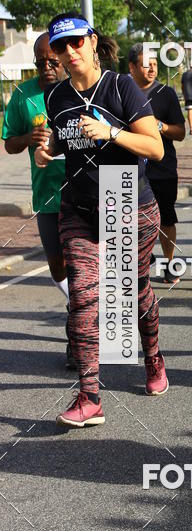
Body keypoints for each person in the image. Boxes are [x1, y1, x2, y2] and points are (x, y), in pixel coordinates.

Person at [35, 12, 168, 428]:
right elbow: (62, 141)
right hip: (78, 206)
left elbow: (155, 147)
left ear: (92, 42)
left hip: (125, 197)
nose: (69, 52)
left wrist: (110, 132)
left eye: (76, 43)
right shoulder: (56, 97)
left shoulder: (120, 86)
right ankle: (89, 396)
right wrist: (47, 149)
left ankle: (153, 358)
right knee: (85, 296)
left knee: (133, 292)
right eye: (61, 47)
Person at [1, 32, 75, 366]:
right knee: (57, 264)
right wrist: (27, 138)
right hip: (47, 194)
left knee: (87, 262)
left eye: (51, 61)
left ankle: (81, 327)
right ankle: (78, 305)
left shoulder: (80, 89)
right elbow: (9, 144)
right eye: (39, 62)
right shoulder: (23, 96)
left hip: (86, 191)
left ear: (63, 58)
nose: (46, 67)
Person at [128, 43, 185, 284]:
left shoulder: (167, 93)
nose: (152, 69)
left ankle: (169, 263)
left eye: (154, 65)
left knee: (165, 219)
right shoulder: (122, 91)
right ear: (132, 67)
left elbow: (180, 132)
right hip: (131, 168)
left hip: (162, 168)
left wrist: (159, 126)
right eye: (145, 64)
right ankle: (142, 260)